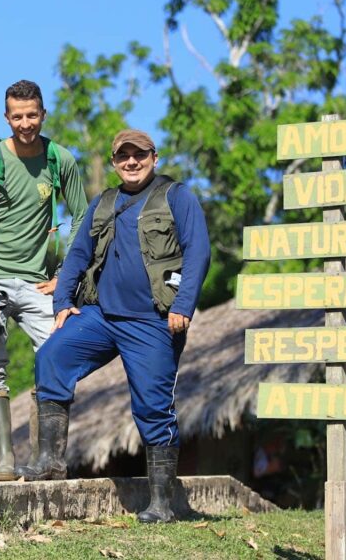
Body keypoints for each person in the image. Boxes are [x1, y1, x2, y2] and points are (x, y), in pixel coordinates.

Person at [21, 129, 210, 525]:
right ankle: (50, 462)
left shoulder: (177, 196)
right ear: (114, 162)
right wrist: (62, 302)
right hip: (101, 316)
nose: (131, 162)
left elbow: (198, 252)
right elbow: (77, 254)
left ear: (154, 157)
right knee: (52, 356)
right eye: (123, 156)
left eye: (139, 155)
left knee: (153, 407)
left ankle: (161, 503)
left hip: (154, 321)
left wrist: (184, 305)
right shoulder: (104, 202)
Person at [0, 80, 89, 480]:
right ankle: (4, 462)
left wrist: (64, 275)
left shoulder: (59, 159)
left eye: (32, 115)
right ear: (6, 118)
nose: (25, 123)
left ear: (43, 114)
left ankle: (48, 462)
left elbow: (82, 220)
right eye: (17, 116)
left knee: (58, 355)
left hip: (39, 281)